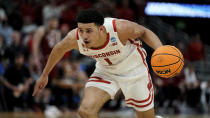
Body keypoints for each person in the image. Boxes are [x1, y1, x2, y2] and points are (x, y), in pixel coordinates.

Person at [32, 9, 163, 118]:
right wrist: (44, 75)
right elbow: (58, 49)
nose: (84, 36)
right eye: (81, 30)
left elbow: (144, 31)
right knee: (86, 111)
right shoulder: (74, 39)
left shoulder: (120, 29)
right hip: (106, 71)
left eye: (89, 31)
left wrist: (161, 50)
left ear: (101, 29)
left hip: (134, 70)